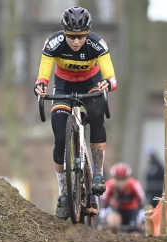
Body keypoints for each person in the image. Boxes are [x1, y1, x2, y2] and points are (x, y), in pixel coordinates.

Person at [34, 6, 118, 220]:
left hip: (91, 82)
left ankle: (98, 174)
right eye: (71, 36)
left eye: (80, 36)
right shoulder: (53, 43)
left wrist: (107, 83)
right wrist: (41, 86)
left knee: (97, 115)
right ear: (64, 32)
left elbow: (111, 77)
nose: (75, 41)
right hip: (63, 86)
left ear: (87, 33)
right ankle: (63, 193)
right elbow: (42, 75)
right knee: (60, 137)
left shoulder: (97, 43)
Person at [99, 162, 146, 233]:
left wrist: (142, 221)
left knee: (135, 235)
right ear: (114, 178)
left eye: (123, 179)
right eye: (118, 179)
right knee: (112, 222)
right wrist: (102, 222)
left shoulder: (134, 185)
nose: (121, 183)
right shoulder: (108, 186)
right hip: (117, 211)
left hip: (132, 212)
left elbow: (142, 204)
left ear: (128, 178)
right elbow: (104, 205)